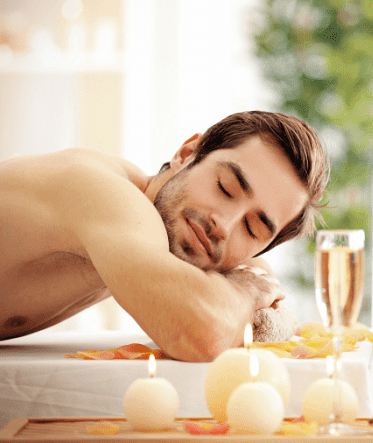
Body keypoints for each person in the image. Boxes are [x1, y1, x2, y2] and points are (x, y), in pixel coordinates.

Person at [0, 111, 329, 362]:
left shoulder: (161, 239)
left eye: (252, 229)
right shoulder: (103, 193)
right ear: (186, 154)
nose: (224, 225)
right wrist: (248, 289)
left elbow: (262, 289)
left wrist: (246, 284)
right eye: (225, 187)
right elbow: (203, 331)